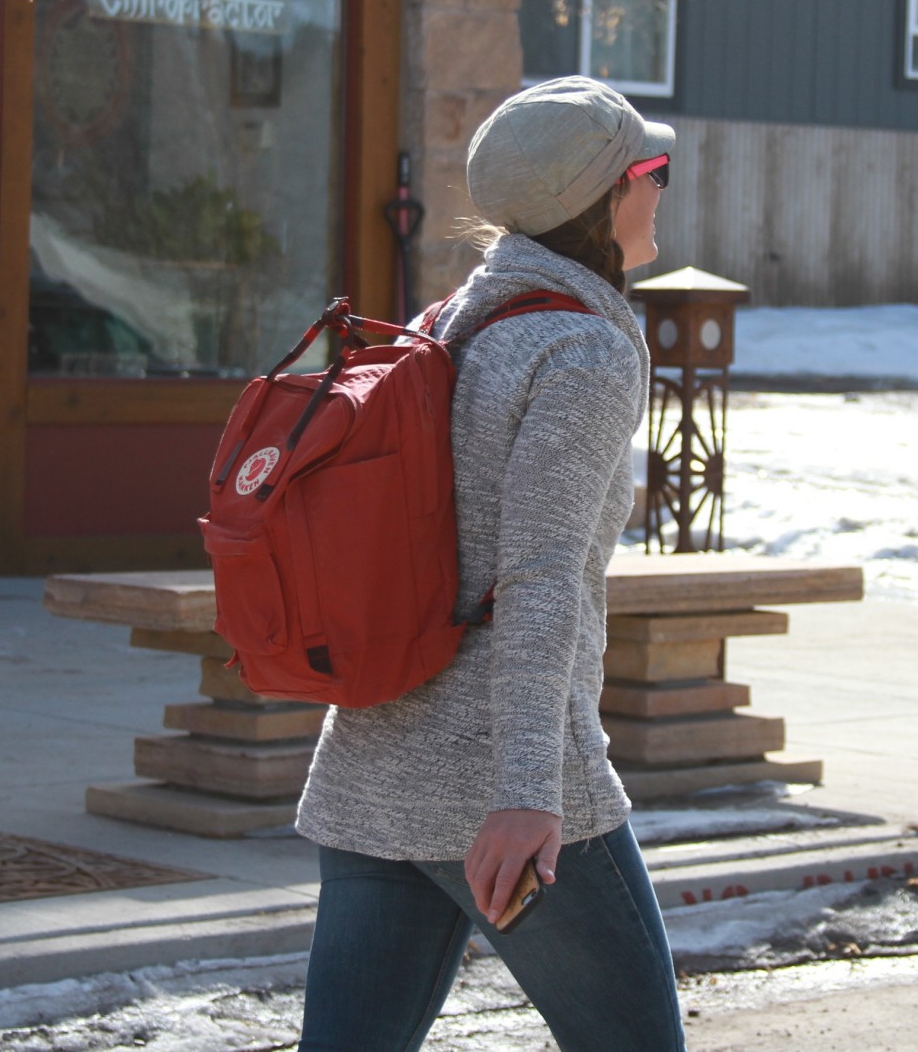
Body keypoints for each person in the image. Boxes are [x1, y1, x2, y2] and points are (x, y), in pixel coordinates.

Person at [294, 76, 686, 1052]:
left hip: (375, 758)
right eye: (650, 169)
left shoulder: (445, 325)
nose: (660, 188)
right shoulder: (581, 352)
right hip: (502, 786)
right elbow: (538, 579)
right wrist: (525, 792)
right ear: (601, 199)